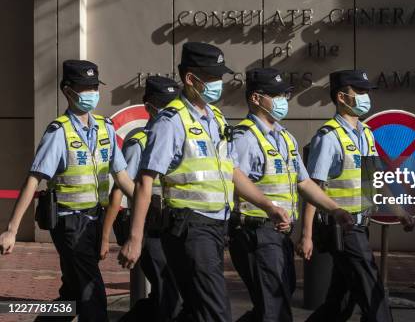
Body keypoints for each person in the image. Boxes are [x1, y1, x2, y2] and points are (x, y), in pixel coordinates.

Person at [118, 42, 290, 322]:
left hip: (213, 229)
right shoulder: (171, 121)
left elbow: (232, 172)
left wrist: (267, 206)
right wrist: (135, 239)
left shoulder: (216, 119)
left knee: (195, 310)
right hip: (189, 228)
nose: (217, 84)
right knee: (216, 312)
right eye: (211, 77)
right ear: (190, 79)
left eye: (219, 77)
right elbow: (144, 181)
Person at [0, 60, 134, 321]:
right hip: (69, 222)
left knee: (72, 293)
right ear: (67, 91)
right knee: (92, 294)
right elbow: (33, 179)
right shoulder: (58, 132)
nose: (90, 93)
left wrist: (147, 204)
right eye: (84, 88)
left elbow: (123, 177)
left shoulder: (106, 128)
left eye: (94, 87)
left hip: (94, 220)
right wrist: (12, 229)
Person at [229, 67, 354, 322]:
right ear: (256, 98)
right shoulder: (244, 137)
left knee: (274, 304)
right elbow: (233, 177)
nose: (282, 101)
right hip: (255, 232)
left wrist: (335, 209)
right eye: (275, 95)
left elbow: (305, 182)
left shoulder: (286, 138)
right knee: (274, 310)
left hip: (279, 233)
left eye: (284, 95)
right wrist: (268, 207)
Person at [302, 69, 413, 322]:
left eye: (366, 92)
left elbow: (376, 179)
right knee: (372, 292)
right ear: (342, 97)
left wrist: (400, 213)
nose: (365, 97)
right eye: (360, 92)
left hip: (361, 226)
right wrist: (306, 235)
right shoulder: (328, 137)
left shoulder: (366, 134)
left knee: (340, 302)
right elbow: (313, 186)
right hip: (342, 228)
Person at [101, 75, 182, 321]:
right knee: (168, 293)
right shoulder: (139, 143)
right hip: (146, 227)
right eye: (163, 103)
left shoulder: (175, 140)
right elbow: (119, 192)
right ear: (148, 106)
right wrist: (105, 238)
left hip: (167, 225)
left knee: (167, 293)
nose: (170, 110)